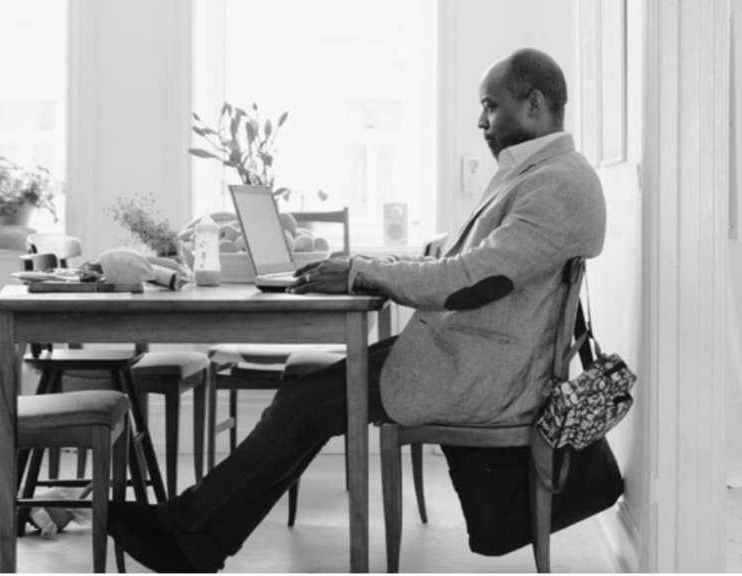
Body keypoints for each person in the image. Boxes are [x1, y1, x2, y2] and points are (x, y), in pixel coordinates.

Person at [107, 47, 607, 574]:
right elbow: (465, 263)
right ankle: (191, 535)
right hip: (470, 351)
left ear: (532, 105)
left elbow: (469, 281)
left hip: (483, 372)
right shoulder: (539, 173)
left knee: (305, 404)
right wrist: (370, 264)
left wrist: (361, 273)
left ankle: (188, 539)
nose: (481, 121)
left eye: (490, 106)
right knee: (306, 398)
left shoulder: (558, 183)